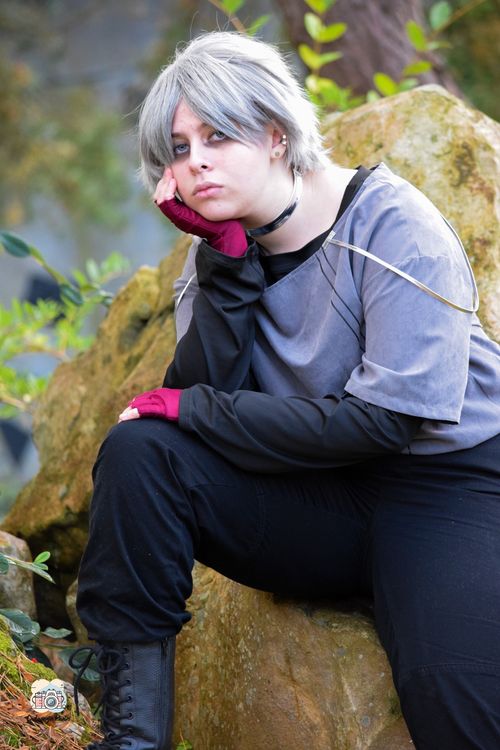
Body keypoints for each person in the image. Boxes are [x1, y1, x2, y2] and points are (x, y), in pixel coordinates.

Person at [73, 31, 500, 750]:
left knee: (449, 693)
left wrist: (193, 407)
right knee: (141, 452)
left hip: (448, 485)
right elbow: (195, 416)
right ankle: (132, 738)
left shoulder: (393, 224)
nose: (196, 160)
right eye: (178, 148)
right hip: (318, 493)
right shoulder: (210, 257)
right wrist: (226, 265)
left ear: (276, 134)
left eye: (217, 134)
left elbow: (386, 422)